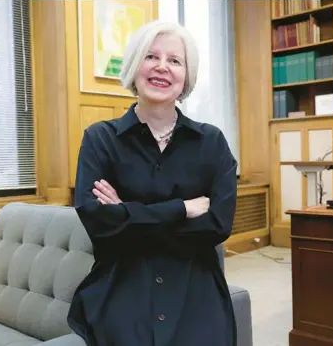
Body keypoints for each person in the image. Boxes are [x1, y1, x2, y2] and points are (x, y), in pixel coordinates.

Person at [67, 20, 238, 346]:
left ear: (186, 75)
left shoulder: (211, 142)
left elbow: (218, 224)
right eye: (150, 57)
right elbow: (99, 223)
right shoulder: (100, 139)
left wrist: (127, 215)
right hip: (122, 285)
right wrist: (181, 209)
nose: (162, 67)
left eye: (175, 60)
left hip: (195, 286)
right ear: (134, 66)